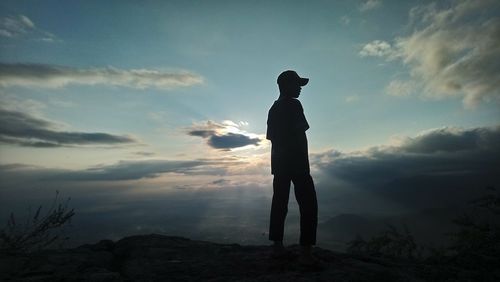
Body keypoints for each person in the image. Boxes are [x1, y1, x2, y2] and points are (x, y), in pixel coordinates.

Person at [266, 70, 318, 265]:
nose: (300, 89)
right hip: (298, 164)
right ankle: (306, 253)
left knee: (279, 203)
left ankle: (277, 247)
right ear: (286, 85)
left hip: (279, 164)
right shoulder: (294, 105)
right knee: (308, 204)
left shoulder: (273, 108)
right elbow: (300, 131)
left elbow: (271, 137)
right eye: (297, 85)